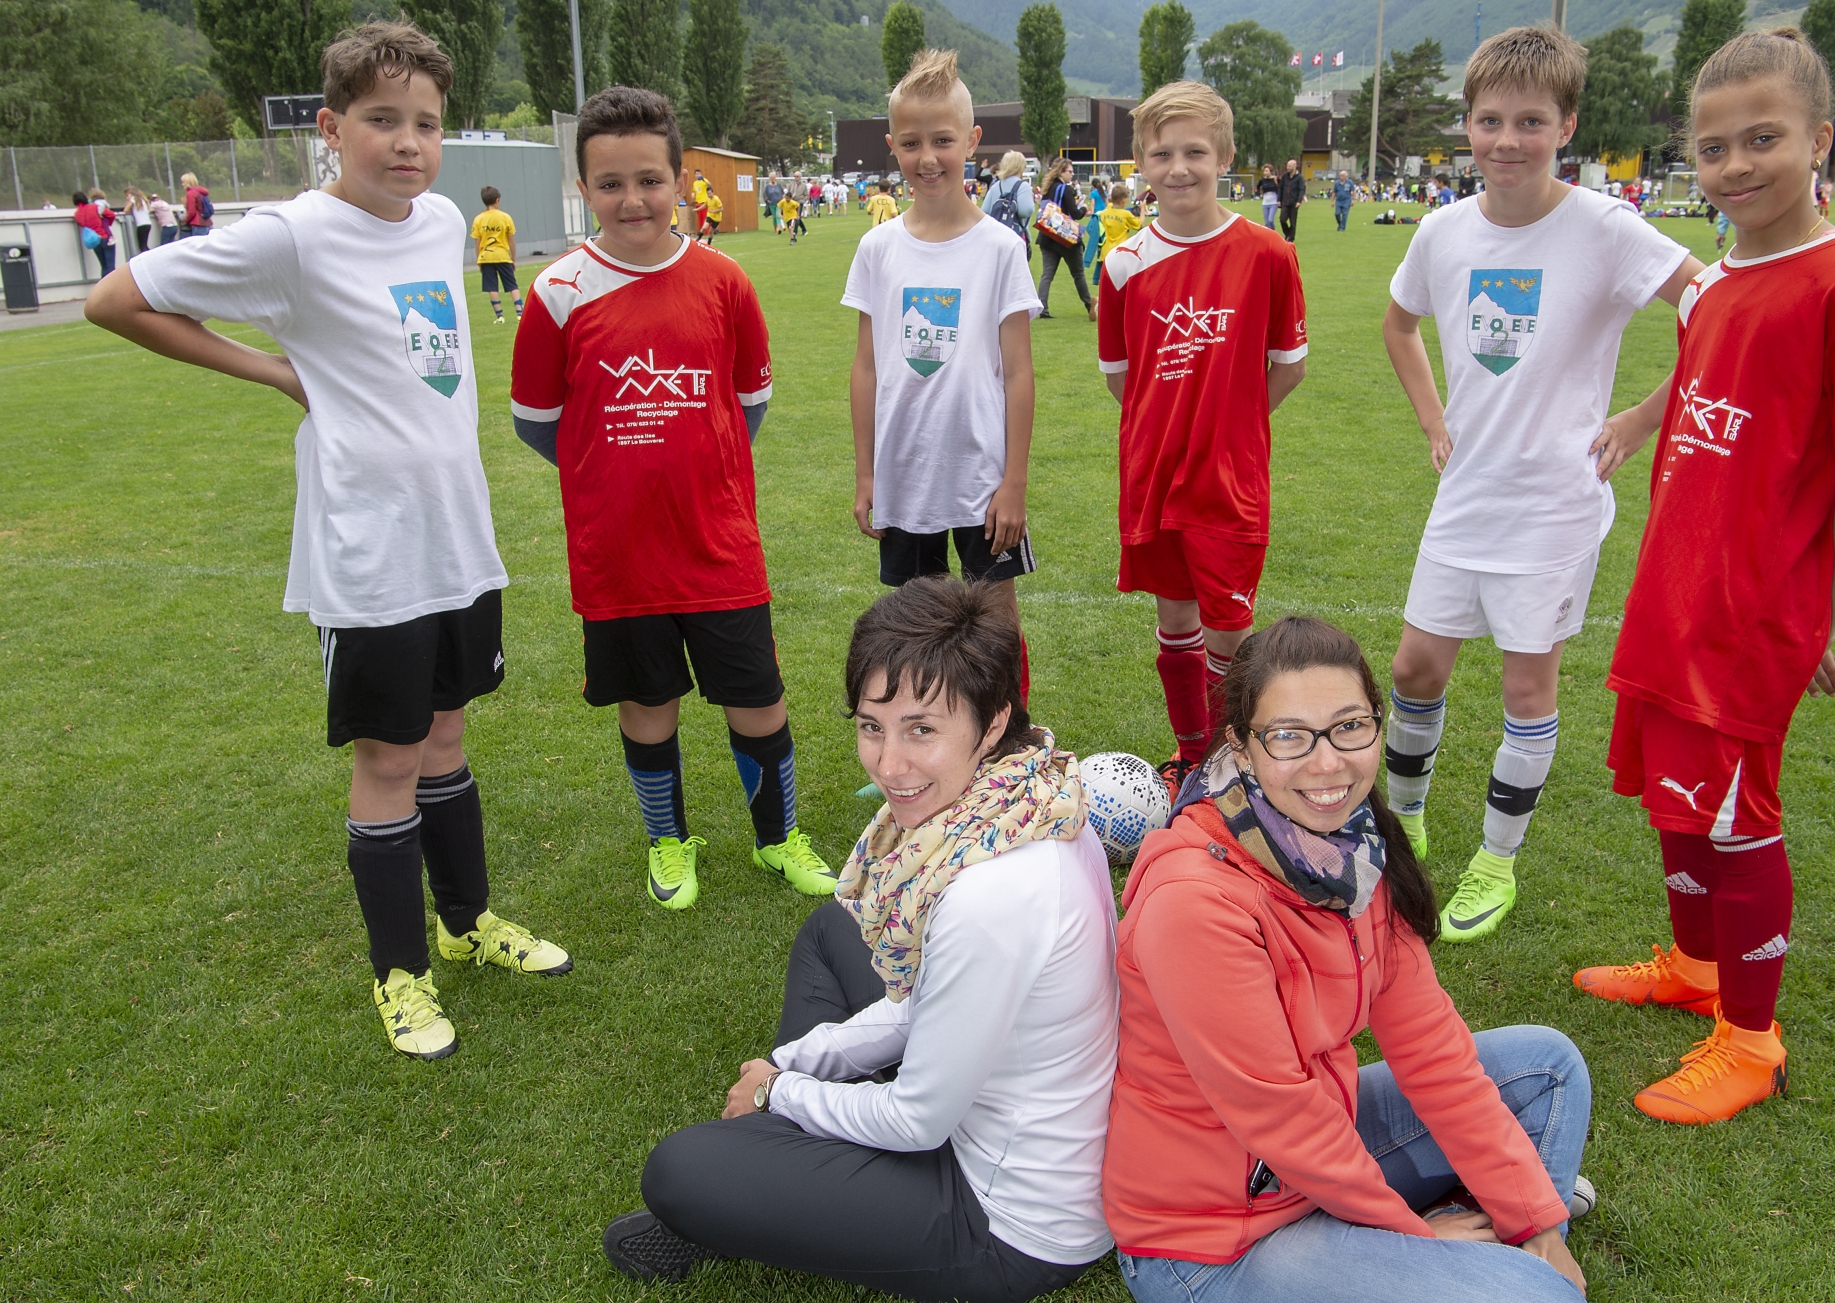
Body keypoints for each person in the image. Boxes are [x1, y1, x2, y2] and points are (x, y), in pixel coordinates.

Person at [85, 22, 569, 1062]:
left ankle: (467, 920)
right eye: (383, 120)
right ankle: (399, 976)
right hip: (367, 550)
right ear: (331, 126)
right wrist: (272, 371)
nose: (408, 142)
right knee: (390, 755)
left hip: (456, 538)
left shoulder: (441, 220)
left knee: (446, 739)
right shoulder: (291, 236)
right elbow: (114, 298)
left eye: (427, 123)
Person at [602, 576, 1119, 1300]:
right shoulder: (1037, 795)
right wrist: (793, 1061)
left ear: (992, 721)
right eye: (872, 725)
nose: (888, 763)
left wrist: (781, 1092)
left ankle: (768, 1165)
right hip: (994, 1107)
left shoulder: (991, 893)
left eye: (922, 729)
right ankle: (787, 1156)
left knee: (678, 1172)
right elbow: (918, 1001)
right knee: (831, 929)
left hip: (1008, 1222)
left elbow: (917, 1117)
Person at [1574, 27, 1835, 1125]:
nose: (1735, 166)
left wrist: (1815, 620)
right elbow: (1701, 379)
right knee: (1672, 801)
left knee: (1732, 814)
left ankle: (1751, 1039)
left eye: (1761, 139)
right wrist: (1638, 413)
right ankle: (1693, 964)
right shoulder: (1709, 283)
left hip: (1754, 612)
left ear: (1820, 138)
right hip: (1673, 591)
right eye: (1713, 147)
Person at [1105, 617, 1592, 1303]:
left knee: (1549, 1067)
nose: (1327, 762)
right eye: (1289, 736)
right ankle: (1465, 1254)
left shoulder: (1354, 855)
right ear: (1242, 750)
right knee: (1538, 1296)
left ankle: (1503, 1242)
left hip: (1315, 1161)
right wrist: (1415, 1240)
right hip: (1214, 1243)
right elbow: (1284, 1123)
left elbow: (1434, 1054)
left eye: (1348, 727)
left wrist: (1537, 1222)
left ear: (1375, 725)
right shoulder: (1195, 901)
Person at [1379, 24, 1705, 943]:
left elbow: (1717, 312)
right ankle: (1405, 822)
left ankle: (1496, 860)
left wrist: (1643, 417)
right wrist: (1436, 420)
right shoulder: (1443, 231)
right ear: (1467, 126)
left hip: (1555, 507)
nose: (1506, 140)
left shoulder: (1604, 228)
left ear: (1566, 124)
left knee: (1529, 691)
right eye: (1490, 121)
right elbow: (1399, 327)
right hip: (1467, 496)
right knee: (1414, 666)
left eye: (1530, 121)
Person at [510, 86, 835, 915]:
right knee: (648, 702)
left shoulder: (724, 282)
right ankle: (667, 838)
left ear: (680, 179)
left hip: (717, 542)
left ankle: (777, 838)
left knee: (757, 698)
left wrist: (701, 465)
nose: (632, 199)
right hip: (619, 551)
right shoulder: (557, 292)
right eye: (610, 182)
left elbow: (749, 400)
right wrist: (611, 473)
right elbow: (537, 423)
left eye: (649, 179)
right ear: (583, 187)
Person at [1098, 81, 1307, 788]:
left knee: (1228, 631)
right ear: (1141, 163)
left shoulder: (1268, 254)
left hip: (1229, 480)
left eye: (1195, 151)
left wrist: (1231, 420)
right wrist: (1170, 420)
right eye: (1162, 153)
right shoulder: (1123, 265)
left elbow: (1288, 367)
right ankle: (1192, 755)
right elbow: (1121, 380)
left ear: (1226, 154)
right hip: (1153, 474)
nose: (1179, 167)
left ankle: (1231, 759)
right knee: (1174, 620)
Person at [846, 49, 1042, 704]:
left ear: (972, 142)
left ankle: (1013, 752)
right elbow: (867, 365)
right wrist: (868, 472)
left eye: (942, 141)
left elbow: (1018, 372)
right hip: (906, 475)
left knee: (995, 625)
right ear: (892, 145)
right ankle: (932, 750)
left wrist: (1013, 483)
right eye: (911, 142)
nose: (927, 157)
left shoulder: (999, 248)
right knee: (917, 632)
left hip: (982, 477)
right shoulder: (877, 248)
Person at [1033, 157, 1093, 320]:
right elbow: (1074, 213)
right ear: (1061, 172)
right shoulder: (1066, 190)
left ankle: (1042, 307)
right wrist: (1083, 208)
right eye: (1070, 171)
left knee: (1047, 274)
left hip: (1047, 236)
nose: (1072, 174)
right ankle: (1090, 305)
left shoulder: (1047, 188)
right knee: (1078, 273)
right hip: (1065, 238)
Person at [470, 184, 523, 323]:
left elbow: (477, 242)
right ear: (497, 200)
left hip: (486, 256)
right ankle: (519, 313)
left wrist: (479, 259)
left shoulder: (478, 219)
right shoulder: (505, 217)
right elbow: (511, 240)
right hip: (502, 255)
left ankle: (500, 316)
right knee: (512, 285)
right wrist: (513, 258)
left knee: (492, 287)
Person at [981, 149, 1034, 253]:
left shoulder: (995, 186)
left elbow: (984, 211)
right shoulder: (1023, 186)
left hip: (996, 237)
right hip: (1015, 236)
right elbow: (1025, 211)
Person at [1093, 181, 1141, 287]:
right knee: (1121, 286)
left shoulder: (1104, 212)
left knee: (1106, 286)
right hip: (1119, 254)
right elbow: (1140, 226)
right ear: (1124, 200)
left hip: (1105, 254)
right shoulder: (1126, 215)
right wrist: (1142, 210)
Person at [72, 189, 115, 278]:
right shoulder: (94, 207)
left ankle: (103, 288)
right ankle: (113, 288)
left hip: (94, 240)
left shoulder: (77, 214)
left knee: (103, 266)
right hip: (105, 237)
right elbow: (111, 214)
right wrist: (107, 223)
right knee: (110, 266)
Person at [1277, 156, 1305, 241]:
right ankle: (1288, 234)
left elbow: (1302, 189)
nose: (1287, 167)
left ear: (1294, 166)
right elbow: (1280, 188)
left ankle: (1290, 238)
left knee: (1293, 222)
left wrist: (1299, 201)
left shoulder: (1299, 178)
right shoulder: (1285, 176)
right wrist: (1279, 200)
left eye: (1289, 166)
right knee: (1282, 219)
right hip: (1285, 201)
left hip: (1294, 203)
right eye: (1287, 166)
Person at [123, 187, 154, 252]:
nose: (127, 198)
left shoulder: (133, 199)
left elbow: (126, 210)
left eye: (127, 195)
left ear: (131, 194)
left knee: (142, 246)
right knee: (145, 244)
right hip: (147, 223)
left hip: (141, 225)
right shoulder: (143, 200)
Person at [1256, 163, 1280, 228]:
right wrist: (1259, 194)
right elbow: (1257, 187)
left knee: (1270, 220)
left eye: (1267, 171)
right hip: (1265, 203)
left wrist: (1279, 199)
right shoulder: (1262, 180)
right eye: (1264, 171)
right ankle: (1269, 236)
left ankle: (1273, 233)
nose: (1265, 172)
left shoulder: (1275, 179)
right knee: (1266, 223)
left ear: (1270, 171)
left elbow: (1281, 188)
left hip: (1274, 202)